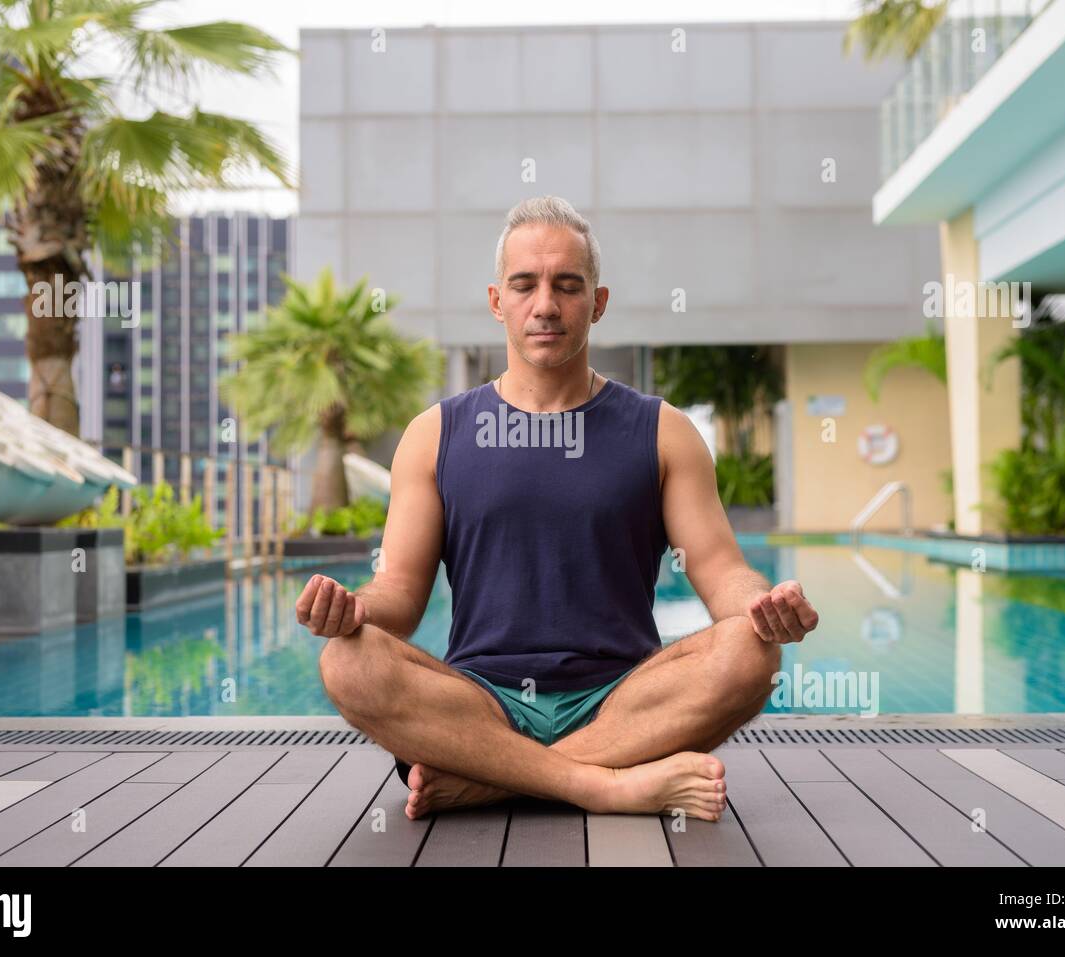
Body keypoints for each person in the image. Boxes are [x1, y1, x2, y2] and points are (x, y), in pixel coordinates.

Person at [297, 196, 819, 821]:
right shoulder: (436, 434)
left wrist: (761, 605)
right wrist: (356, 608)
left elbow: (720, 571)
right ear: (498, 301)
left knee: (752, 651)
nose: (545, 304)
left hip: (623, 699)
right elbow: (401, 599)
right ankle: (604, 783)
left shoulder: (662, 432)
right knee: (347, 660)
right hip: (480, 700)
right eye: (525, 285)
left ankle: (495, 780)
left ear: (597, 303)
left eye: (567, 286)